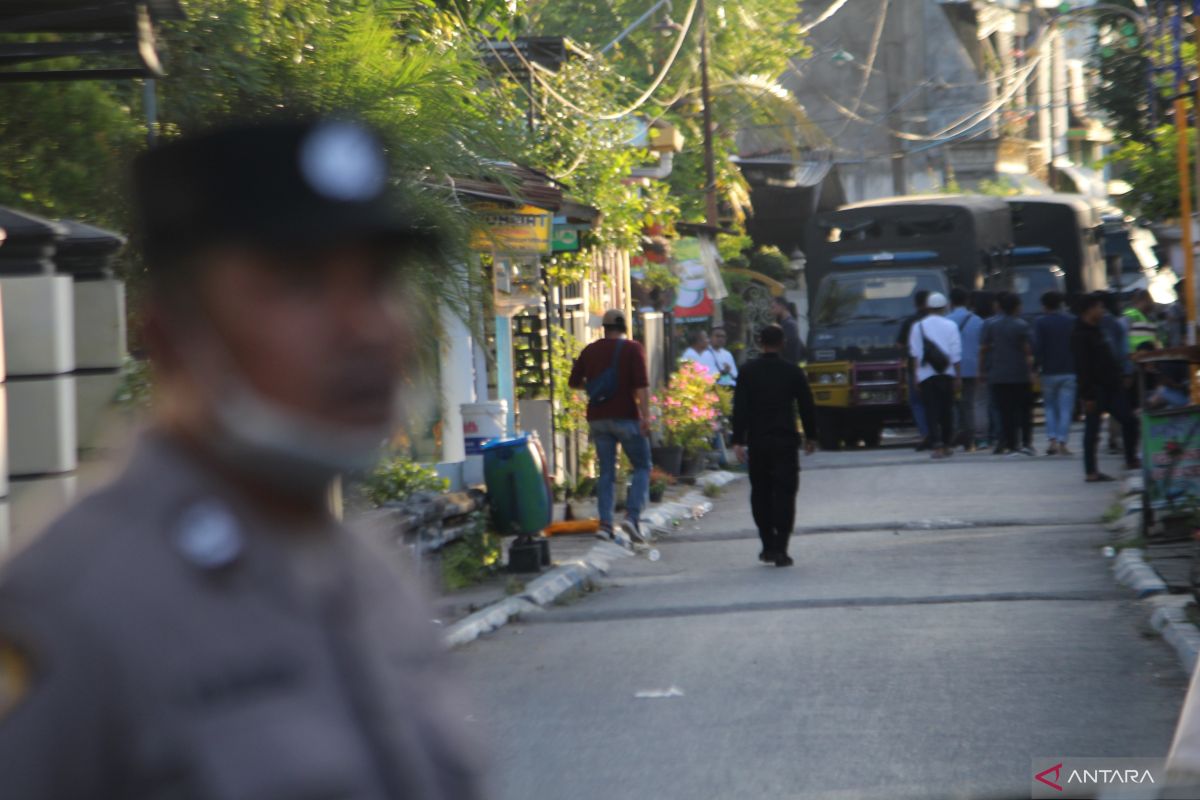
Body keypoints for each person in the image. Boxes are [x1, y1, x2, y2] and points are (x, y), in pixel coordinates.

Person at [0, 118, 485, 798]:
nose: (365, 328)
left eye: (377, 280)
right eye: (300, 282)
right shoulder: (69, 607)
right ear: (170, 335)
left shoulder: (368, 570)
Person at [731, 324, 818, 567]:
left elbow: (740, 409)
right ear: (782, 343)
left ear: (760, 342)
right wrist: (811, 436)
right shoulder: (792, 372)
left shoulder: (748, 372)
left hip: (758, 441)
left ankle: (767, 544)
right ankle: (781, 547)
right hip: (785, 441)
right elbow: (806, 405)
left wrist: (738, 440)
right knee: (785, 493)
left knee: (760, 492)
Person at [568, 308, 652, 543]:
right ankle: (632, 517)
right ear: (624, 327)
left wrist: (597, 388)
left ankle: (605, 524)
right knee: (642, 466)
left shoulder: (590, 350)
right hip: (626, 417)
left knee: (606, 471)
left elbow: (573, 382)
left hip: (598, 418)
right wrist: (646, 417)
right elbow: (642, 385)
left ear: (604, 328)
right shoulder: (633, 348)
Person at [1073, 293, 1141, 482]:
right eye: (1099, 308)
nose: (1102, 311)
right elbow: (1083, 368)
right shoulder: (1080, 335)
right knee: (1092, 431)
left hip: (1112, 387)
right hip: (1095, 390)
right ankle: (1091, 471)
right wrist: (1087, 396)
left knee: (1129, 421)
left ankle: (1130, 459)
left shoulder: (1098, 330)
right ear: (1090, 310)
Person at [908, 292, 963, 459]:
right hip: (946, 373)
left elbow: (915, 354)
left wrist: (917, 376)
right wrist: (958, 376)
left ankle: (936, 446)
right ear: (945, 307)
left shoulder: (918, 327)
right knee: (947, 410)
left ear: (928, 307)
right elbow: (956, 354)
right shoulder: (951, 325)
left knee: (931, 411)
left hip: (926, 374)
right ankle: (947, 445)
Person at [981, 292, 1035, 456]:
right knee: (1024, 411)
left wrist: (982, 369)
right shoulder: (1022, 325)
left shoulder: (991, 325)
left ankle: (1011, 444)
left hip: (998, 374)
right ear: (1016, 307)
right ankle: (1026, 442)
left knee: (1005, 411)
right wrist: (1032, 371)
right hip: (1020, 374)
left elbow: (984, 348)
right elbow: (1028, 351)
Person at [1033, 290, 1076, 455]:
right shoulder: (1071, 320)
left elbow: (1038, 347)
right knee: (1066, 409)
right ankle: (1062, 442)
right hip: (1069, 370)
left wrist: (1036, 367)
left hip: (1049, 371)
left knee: (1050, 408)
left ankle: (1051, 441)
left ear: (1044, 306)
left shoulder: (1040, 322)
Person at [946, 288, 984, 451]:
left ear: (951, 302)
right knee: (970, 403)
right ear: (967, 301)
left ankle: (957, 434)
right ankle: (971, 437)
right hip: (973, 368)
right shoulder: (978, 321)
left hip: (953, 370)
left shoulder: (946, 321)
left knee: (954, 404)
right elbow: (982, 346)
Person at [897, 290, 932, 450]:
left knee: (917, 403)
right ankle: (939, 435)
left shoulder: (910, 322)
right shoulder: (938, 320)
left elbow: (900, 344)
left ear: (915, 304)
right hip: (938, 367)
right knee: (935, 402)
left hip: (915, 368)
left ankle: (925, 434)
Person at [771, 295, 805, 364]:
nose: (772, 311)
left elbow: (789, 347)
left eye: (773, 307)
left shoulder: (789, 324)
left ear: (782, 306)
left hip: (789, 364)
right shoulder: (782, 323)